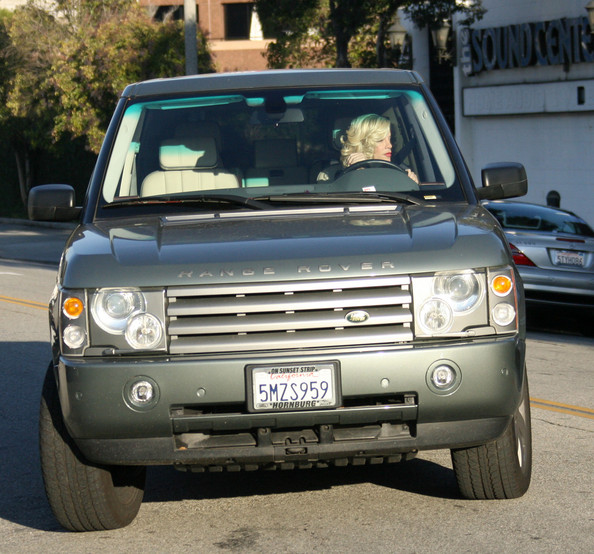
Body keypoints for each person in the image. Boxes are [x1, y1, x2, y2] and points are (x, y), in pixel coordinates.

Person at [317, 113, 418, 183]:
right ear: (362, 143)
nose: (389, 145)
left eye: (390, 139)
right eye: (380, 140)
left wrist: (411, 185)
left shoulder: (399, 173)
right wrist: (357, 173)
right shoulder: (329, 176)